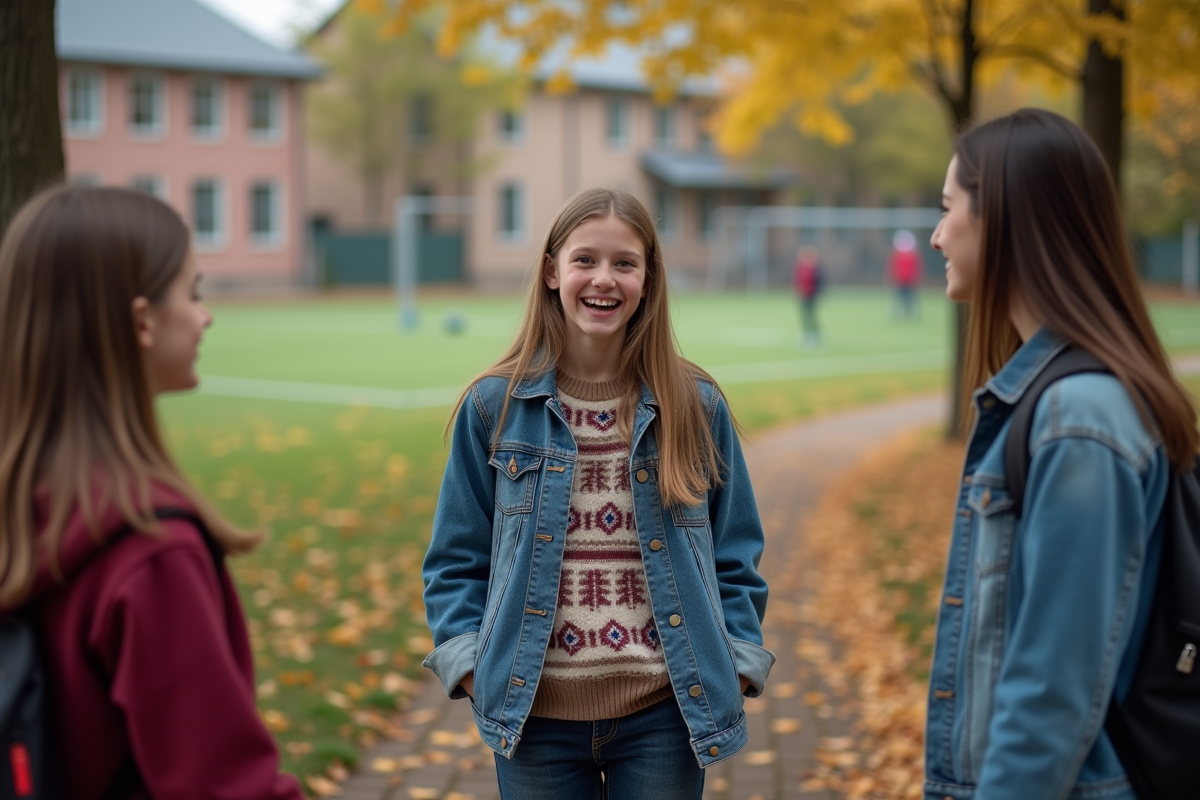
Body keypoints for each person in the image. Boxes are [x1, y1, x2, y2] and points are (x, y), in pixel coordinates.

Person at [422, 187, 773, 799]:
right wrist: (476, 670)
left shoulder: (696, 407)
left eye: (624, 263)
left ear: (648, 279)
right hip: (535, 720)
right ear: (552, 272)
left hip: (665, 716)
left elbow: (736, 554)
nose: (603, 279)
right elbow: (455, 560)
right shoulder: (493, 409)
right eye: (585, 259)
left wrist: (737, 664)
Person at [924, 108, 1198, 800]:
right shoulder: (1058, 398)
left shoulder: (1078, 418)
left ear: (1006, 219)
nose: (935, 236)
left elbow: (1053, 689)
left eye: (948, 208)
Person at [0, 186, 304, 800]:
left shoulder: (24, 508)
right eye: (192, 294)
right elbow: (222, 786)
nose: (205, 316)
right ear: (141, 320)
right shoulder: (151, 553)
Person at [792, 245, 824, 348]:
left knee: (811, 316)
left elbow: (818, 282)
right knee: (804, 316)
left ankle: (816, 335)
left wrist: (817, 293)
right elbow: (798, 281)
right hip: (803, 295)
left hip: (811, 295)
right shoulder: (800, 267)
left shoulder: (813, 267)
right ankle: (807, 335)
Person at [889, 229, 921, 319]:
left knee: (910, 297)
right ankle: (898, 313)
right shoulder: (897, 254)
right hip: (900, 280)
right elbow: (893, 266)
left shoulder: (912, 255)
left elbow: (916, 267)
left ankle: (910, 313)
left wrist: (915, 277)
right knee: (899, 297)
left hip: (909, 280)